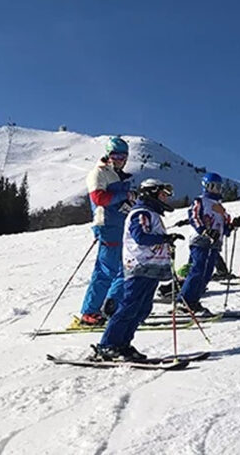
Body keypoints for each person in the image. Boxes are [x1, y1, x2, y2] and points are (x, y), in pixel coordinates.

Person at [90, 179, 182, 361]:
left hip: (151, 268)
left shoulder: (152, 214)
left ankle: (122, 343)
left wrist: (166, 243)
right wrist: (163, 239)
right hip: (139, 267)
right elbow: (140, 236)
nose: (165, 199)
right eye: (162, 195)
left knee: (142, 308)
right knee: (129, 307)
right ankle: (107, 345)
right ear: (151, 194)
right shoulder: (141, 213)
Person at [78, 136, 134, 326]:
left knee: (124, 270)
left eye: (122, 156)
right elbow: (98, 198)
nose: (119, 159)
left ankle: (112, 306)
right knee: (105, 271)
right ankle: (89, 312)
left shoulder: (119, 175)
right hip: (107, 226)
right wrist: (123, 195)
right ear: (108, 155)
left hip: (121, 226)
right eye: (115, 155)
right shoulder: (99, 173)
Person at [178, 172, 240, 314]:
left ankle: (193, 301)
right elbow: (194, 217)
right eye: (213, 186)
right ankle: (184, 301)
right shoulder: (200, 201)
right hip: (201, 240)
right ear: (206, 186)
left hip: (215, 243)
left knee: (207, 273)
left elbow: (224, 228)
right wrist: (204, 231)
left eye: (219, 187)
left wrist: (233, 225)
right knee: (198, 269)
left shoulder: (220, 207)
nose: (216, 190)